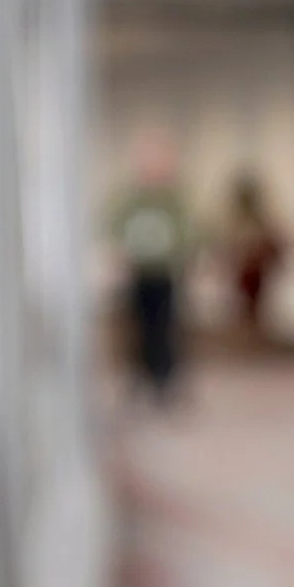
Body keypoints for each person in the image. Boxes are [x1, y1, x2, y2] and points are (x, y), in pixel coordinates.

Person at [109, 133, 191, 404]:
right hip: (138, 273)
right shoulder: (131, 199)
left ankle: (164, 380)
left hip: (164, 273)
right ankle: (139, 377)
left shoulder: (172, 200)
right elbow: (116, 228)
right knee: (139, 327)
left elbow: (187, 232)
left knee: (164, 328)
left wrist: (183, 257)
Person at [221, 169, 287, 342]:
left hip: (254, 269)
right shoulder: (237, 219)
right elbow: (232, 244)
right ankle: (248, 336)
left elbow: (268, 240)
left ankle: (255, 337)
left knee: (253, 306)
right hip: (244, 268)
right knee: (244, 306)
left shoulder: (258, 219)